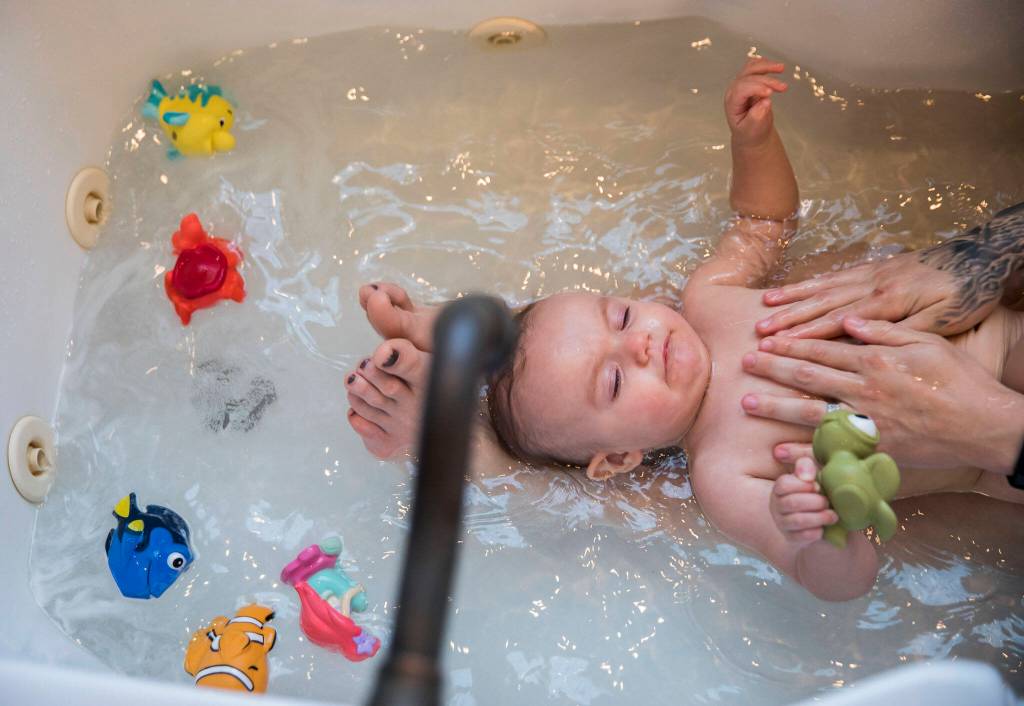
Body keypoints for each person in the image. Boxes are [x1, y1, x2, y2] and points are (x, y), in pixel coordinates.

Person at [342, 58, 1024, 601]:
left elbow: (763, 224)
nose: (641, 343)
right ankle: (463, 415)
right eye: (614, 380)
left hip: (998, 317)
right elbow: (840, 583)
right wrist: (823, 528)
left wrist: (752, 142)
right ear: (620, 459)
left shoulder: (709, 297)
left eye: (621, 315)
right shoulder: (724, 475)